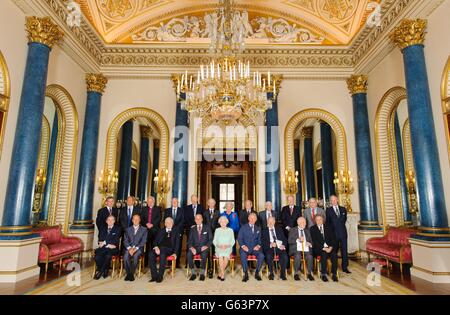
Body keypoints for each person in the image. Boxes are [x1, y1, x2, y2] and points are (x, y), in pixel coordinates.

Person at [149, 217, 180, 283]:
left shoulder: (176, 231)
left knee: (162, 254)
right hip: (159, 248)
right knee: (151, 254)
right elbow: (155, 241)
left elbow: (177, 243)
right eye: (167, 223)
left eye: (170, 222)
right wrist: (156, 247)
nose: (169, 224)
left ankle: (160, 276)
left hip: (169, 249)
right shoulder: (161, 231)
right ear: (165, 224)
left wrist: (175, 253)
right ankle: (154, 276)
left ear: (173, 223)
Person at [326, 195, 351, 274]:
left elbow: (344, 220)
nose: (333, 201)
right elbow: (328, 223)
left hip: (343, 233)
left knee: (344, 251)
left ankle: (345, 267)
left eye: (334, 200)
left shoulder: (343, 209)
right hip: (334, 234)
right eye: (331, 200)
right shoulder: (328, 210)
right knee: (334, 251)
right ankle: (334, 267)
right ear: (330, 201)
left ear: (337, 200)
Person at [310, 214, 338, 282]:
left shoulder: (328, 227)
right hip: (319, 249)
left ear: (323, 220)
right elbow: (314, 242)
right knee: (324, 255)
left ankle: (334, 273)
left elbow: (333, 239)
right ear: (315, 221)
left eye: (320, 219)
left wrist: (331, 247)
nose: (319, 221)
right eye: (317, 220)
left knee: (334, 255)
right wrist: (324, 248)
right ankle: (324, 274)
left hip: (329, 248)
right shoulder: (312, 228)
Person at [238, 213, 264, 282]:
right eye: (251, 218)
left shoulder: (258, 228)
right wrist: (243, 246)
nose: (252, 220)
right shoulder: (243, 227)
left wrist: (258, 245)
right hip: (245, 248)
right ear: (248, 218)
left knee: (261, 255)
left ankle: (257, 272)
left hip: (255, 248)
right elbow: (240, 238)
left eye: (254, 218)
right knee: (243, 255)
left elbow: (260, 240)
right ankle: (245, 273)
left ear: (256, 220)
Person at [94, 215, 121, 279]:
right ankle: (105, 269)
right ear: (106, 221)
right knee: (97, 257)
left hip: (113, 249)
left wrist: (104, 242)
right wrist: (107, 244)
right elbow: (100, 239)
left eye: (112, 220)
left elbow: (116, 240)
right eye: (109, 220)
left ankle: (100, 272)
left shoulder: (118, 229)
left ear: (114, 221)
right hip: (105, 248)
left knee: (108, 256)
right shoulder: (102, 229)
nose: (110, 221)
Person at [187, 214, 212, 281]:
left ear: (202, 219)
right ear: (195, 220)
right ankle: (193, 273)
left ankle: (202, 274)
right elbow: (189, 241)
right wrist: (191, 248)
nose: (198, 220)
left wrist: (206, 246)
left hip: (204, 247)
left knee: (204, 255)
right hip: (195, 248)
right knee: (189, 254)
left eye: (199, 218)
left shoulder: (207, 227)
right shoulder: (192, 229)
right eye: (196, 219)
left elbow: (210, 239)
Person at [288, 217, 314, 281]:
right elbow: (289, 240)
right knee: (298, 255)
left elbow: (311, 241)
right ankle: (296, 273)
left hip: (306, 248)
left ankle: (309, 273)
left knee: (310, 256)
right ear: (298, 223)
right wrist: (298, 239)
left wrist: (310, 244)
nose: (303, 224)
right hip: (296, 248)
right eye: (301, 222)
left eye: (304, 222)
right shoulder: (292, 230)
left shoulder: (307, 230)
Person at [123, 214, 147, 281]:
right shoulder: (127, 229)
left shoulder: (144, 229)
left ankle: (131, 273)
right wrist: (129, 248)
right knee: (125, 256)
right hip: (129, 248)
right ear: (132, 220)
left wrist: (135, 249)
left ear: (139, 220)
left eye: (137, 219)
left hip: (138, 248)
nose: (136, 220)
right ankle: (128, 273)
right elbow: (125, 240)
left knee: (136, 256)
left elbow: (143, 241)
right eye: (134, 219)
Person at [183, 194, 204, 267]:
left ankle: (197, 263)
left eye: (195, 199)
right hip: (190, 229)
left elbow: (202, 218)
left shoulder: (201, 207)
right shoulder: (187, 208)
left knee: (198, 244)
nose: (194, 200)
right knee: (190, 245)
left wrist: (196, 225)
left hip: (199, 229)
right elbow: (185, 218)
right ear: (191, 200)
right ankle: (187, 263)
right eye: (192, 199)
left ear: (197, 199)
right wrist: (191, 226)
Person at [140, 196, 161, 264]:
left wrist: (152, 224)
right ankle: (145, 262)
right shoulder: (143, 209)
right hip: (145, 230)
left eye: (151, 201)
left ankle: (153, 261)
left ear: (154, 202)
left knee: (154, 245)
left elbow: (159, 218)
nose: (149, 203)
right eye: (148, 201)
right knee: (146, 246)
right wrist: (146, 224)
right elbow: (142, 219)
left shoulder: (158, 209)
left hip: (155, 230)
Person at [213, 216, 235, 281]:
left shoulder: (230, 230)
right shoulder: (217, 230)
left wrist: (227, 246)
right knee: (220, 255)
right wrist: (219, 246)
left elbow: (233, 241)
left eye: (224, 222)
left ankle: (220, 273)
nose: (223, 223)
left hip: (228, 248)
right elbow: (214, 240)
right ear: (219, 223)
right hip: (219, 248)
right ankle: (222, 274)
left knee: (225, 256)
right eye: (221, 222)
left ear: (226, 222)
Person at [164, 197, 184, 267]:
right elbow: (165, 221)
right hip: (169, 232)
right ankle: (169, 263)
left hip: (178, 232)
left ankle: (177, 263)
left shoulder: (182, 210)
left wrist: (175, 229)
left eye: (175, 201)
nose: (174, 203)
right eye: (173, 201)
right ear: (171, 202)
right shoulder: (167, 210)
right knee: (169, 246)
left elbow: (182, 221)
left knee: (178, 247)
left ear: (178, 202)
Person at [204, 198, 220, 278]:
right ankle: (209, 268)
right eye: (210, 203)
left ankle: (215, 267)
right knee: (208, 251)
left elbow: (219, 223)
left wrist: (215, 230)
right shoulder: (205, 212)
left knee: (214, 251)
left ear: (215, 204)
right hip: (206, 235)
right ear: (208, 204)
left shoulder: (218, 212)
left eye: (213, 203)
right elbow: (204, 224)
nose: (211, 204)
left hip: (215, 234)